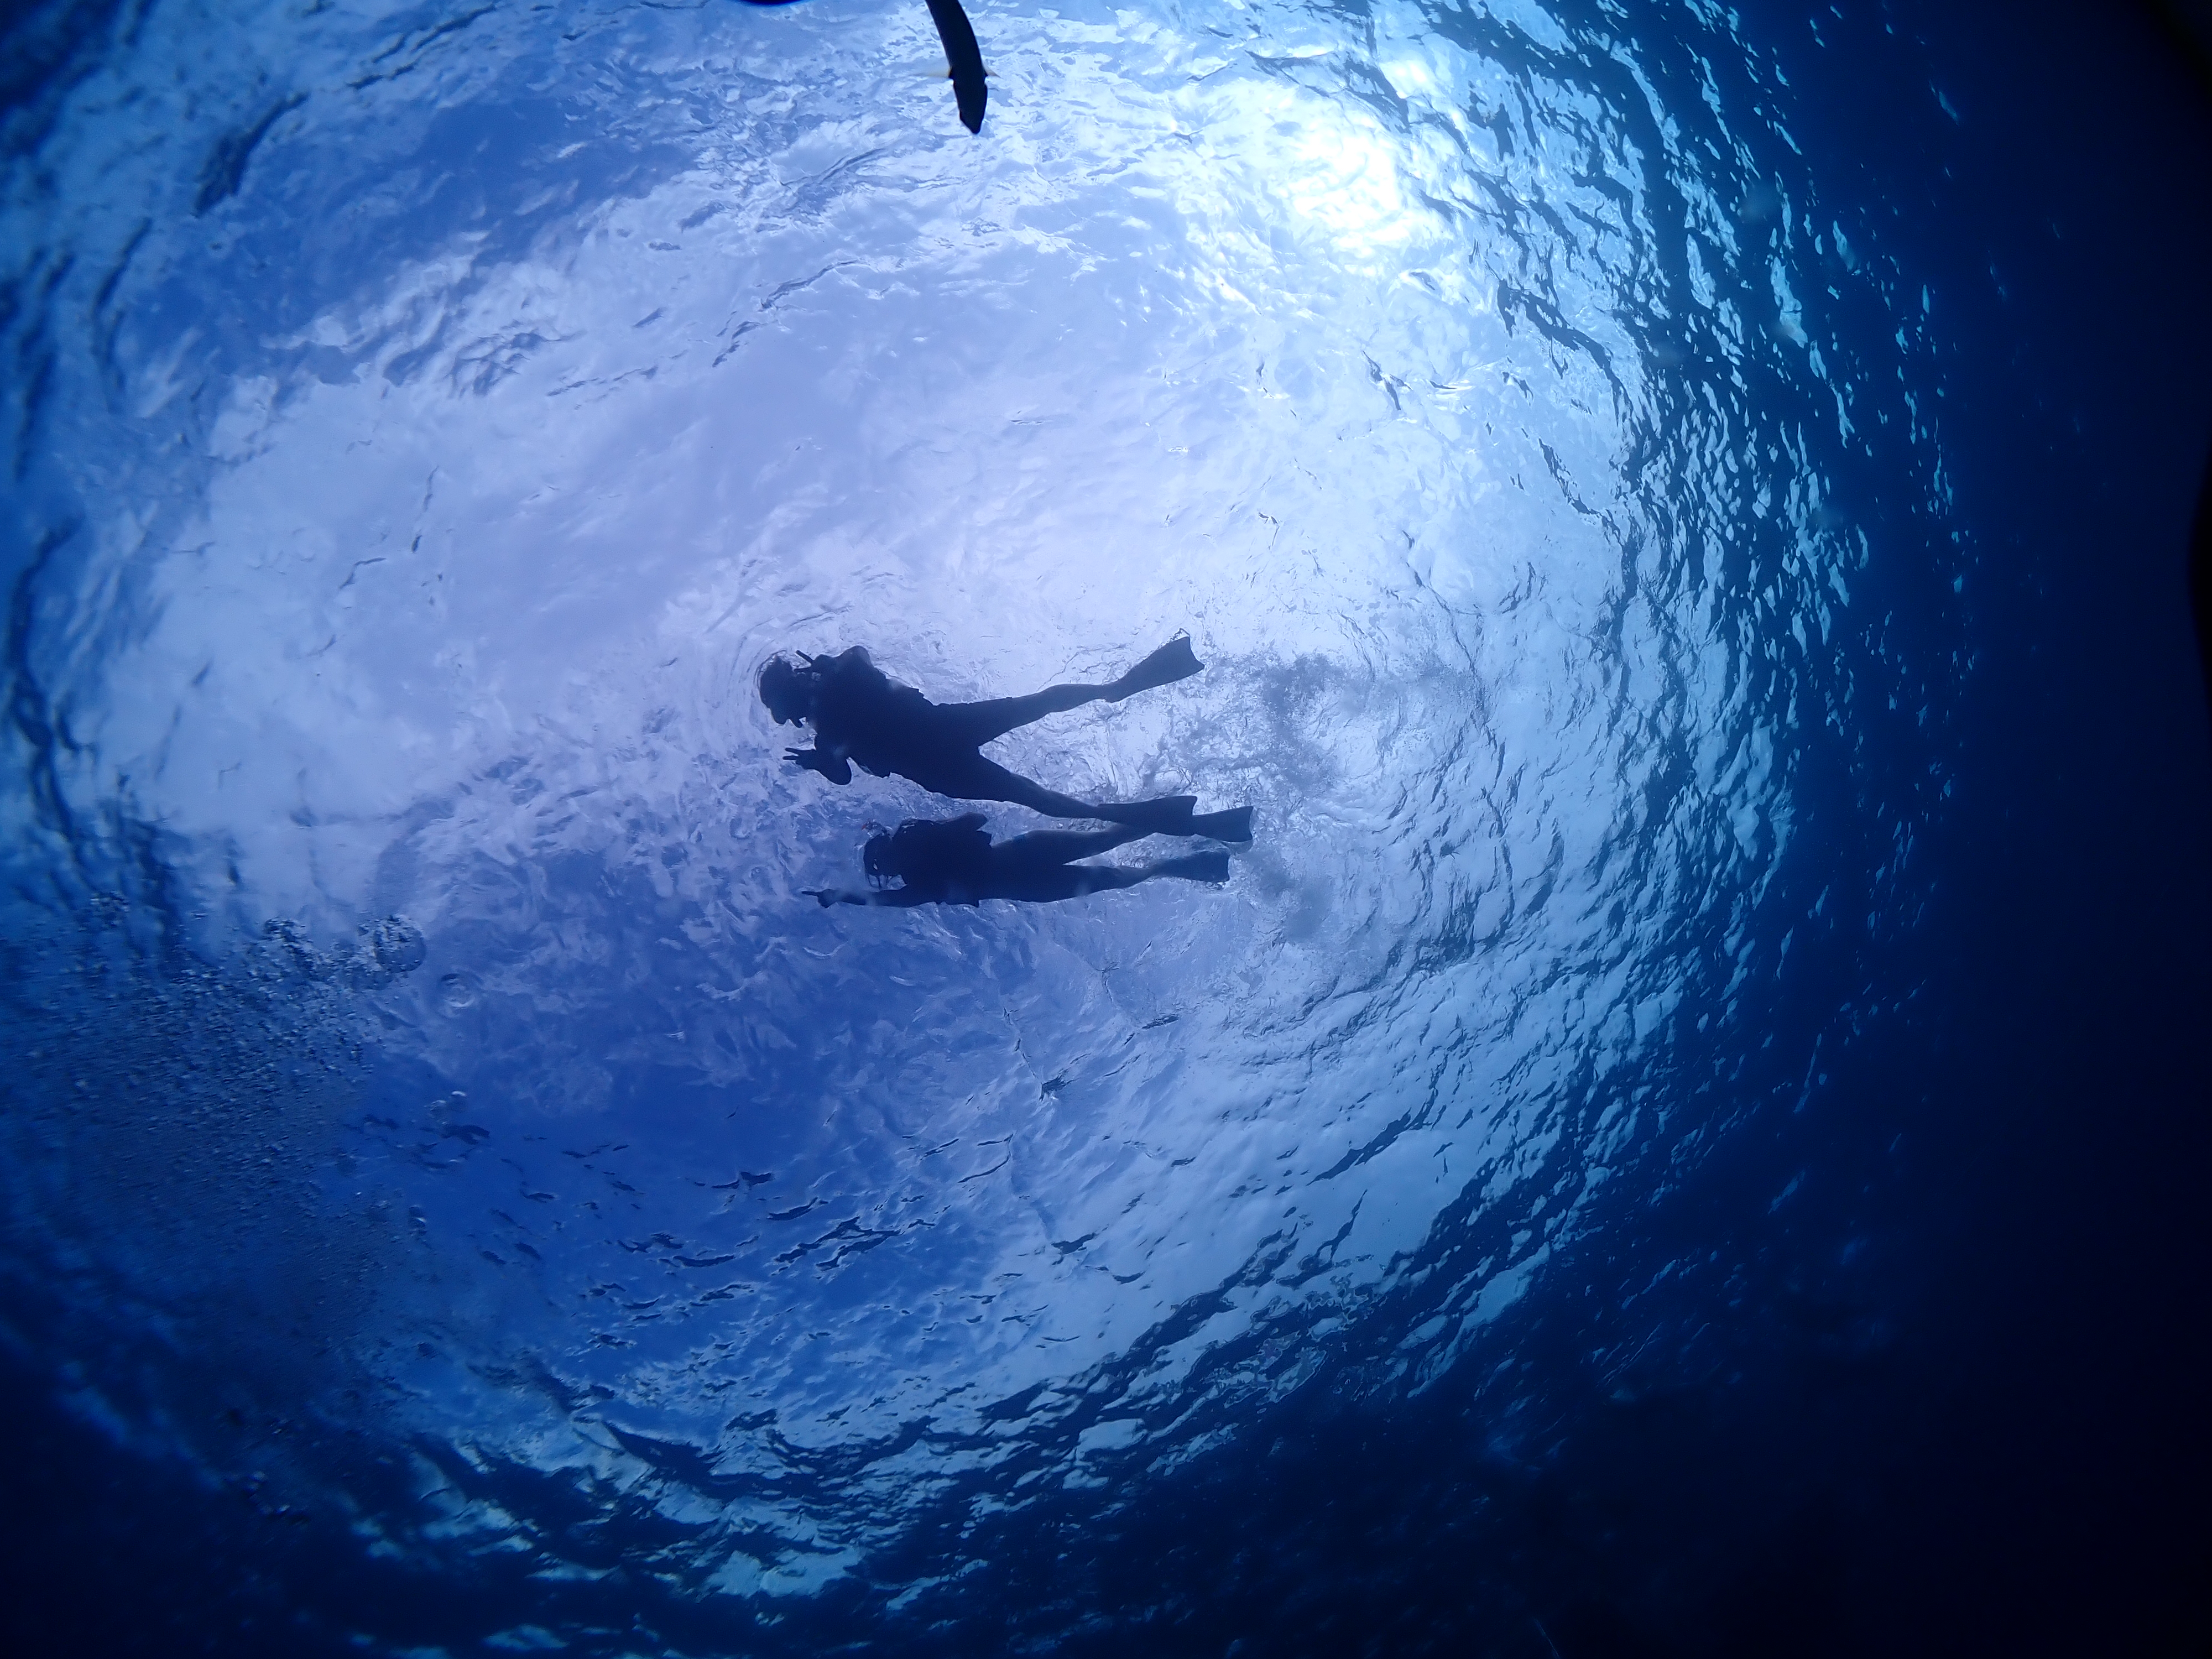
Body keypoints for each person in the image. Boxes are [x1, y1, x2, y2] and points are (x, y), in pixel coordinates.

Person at [761, 636, 1250, 839]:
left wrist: (817, 760)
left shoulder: (828, 719)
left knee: (1032, 777)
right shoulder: (832, 703)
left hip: (936, 756)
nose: (791, 715)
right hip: (939, 738)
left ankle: (1141, 809)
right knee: (1031, 715)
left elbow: (842, 773)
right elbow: (862, 663)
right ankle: (1117, 693)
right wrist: (819, 754)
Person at [805, 813, 1229, 909]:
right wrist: (839, 895)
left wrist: (839, 895)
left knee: (1114, 864)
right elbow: (977, 819)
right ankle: (1190, 834)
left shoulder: (921, 877)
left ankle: (1189, 836)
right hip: (1026, 857)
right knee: (1112, 856)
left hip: (1027, 875)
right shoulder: (922, 868)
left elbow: (890, 902)